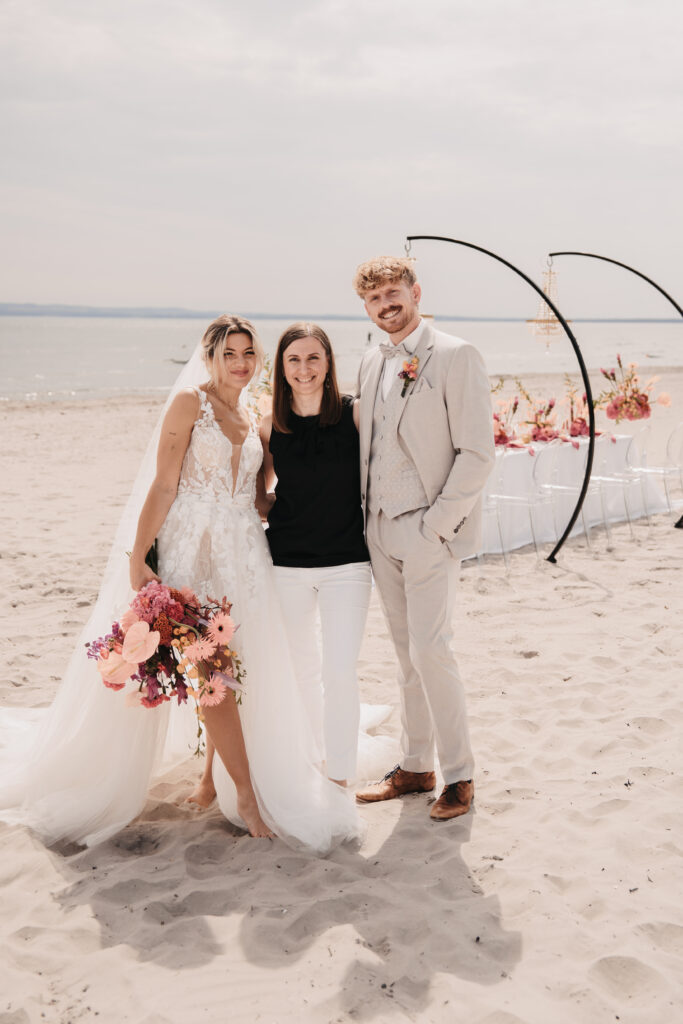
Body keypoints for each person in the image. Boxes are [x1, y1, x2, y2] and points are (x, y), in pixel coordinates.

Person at [0, 315, 359, 852]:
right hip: (194, 551)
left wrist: (310, 505)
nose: (240, 363)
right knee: (208, 666)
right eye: (229, 353)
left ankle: (210, 782)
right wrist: (138, 557)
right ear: (209, 356)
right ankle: (247, 794)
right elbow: (164, 484)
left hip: (246, 555)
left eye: (248, 353)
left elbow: (259, 499)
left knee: (236, 662)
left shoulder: (253, 413)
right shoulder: (190, 403)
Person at [187, 322, 376, 801]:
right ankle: (310, 757)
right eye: (294, 360)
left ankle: (339, 774)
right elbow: (257, 494)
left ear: (329, 363)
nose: (304, 369)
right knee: (299, 667)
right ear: (282, 368)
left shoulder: (356, 416)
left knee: (339, 670)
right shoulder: (272, 426)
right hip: (286, 563)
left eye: (314, 358)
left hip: (347, 564)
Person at [352, 257, 495, 821]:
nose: (386, 305)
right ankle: (415, 765)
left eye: (393, 293)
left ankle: (460, 775)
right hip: (379, 526)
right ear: (365, 308)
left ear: (415, 291)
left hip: (428, 527)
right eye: (373, 300)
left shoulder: (457, 355)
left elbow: (478, 453)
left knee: (433, 650)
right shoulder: (370, 360)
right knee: (405, 655)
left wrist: (437, 525)